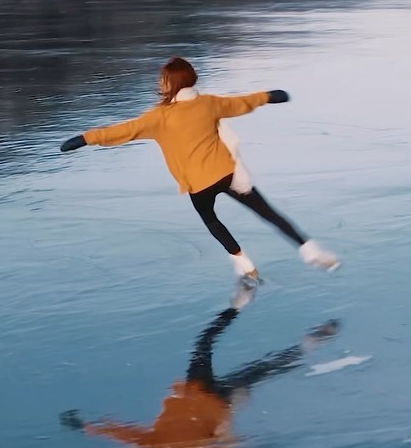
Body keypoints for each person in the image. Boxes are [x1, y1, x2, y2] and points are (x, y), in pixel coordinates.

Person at [60, 57, 340, 281]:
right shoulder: (208, 104)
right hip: (228, 173)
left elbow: (122, 131)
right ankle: (311, 250)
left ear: (169, 83)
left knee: (212, 220)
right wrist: (269, 96)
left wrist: (84, 139)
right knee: (268, 213)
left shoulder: (158, 118)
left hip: (199, 183)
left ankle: (244, 264)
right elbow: (240, 102)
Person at [60, 294, 339, 448]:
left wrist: (86, 427)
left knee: (252, 365)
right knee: (222, 353)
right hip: (212, 399)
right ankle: (246, 308)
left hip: (204, 394)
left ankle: (280, 326)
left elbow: (120, 433)